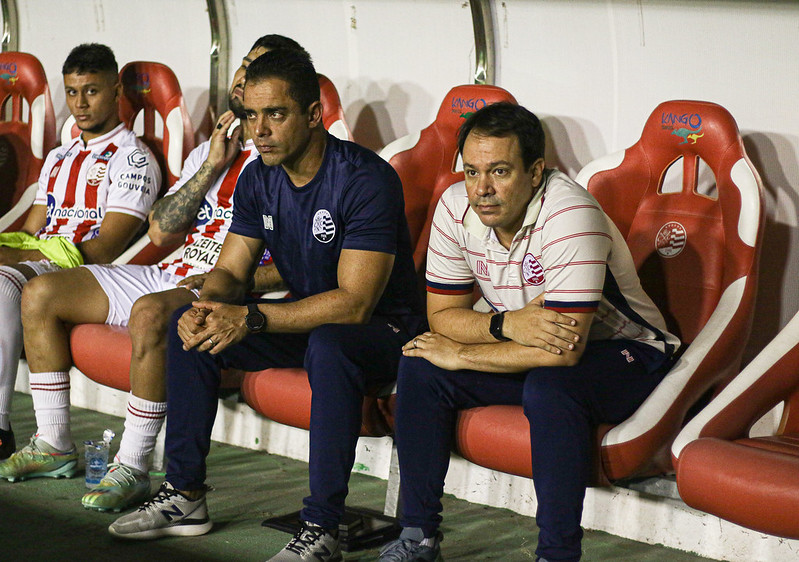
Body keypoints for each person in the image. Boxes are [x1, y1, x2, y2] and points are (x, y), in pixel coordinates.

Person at [107, 48, 422, 561]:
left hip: (386, 335)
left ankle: (320, 528)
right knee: (191, 330)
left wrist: (250, 316)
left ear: (314, 115)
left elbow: (356, 304)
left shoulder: (364, 178)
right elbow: (231, 272)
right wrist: (205, 308)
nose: (259, 130)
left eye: (275, 114)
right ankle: (184, 496)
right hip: (310, 321)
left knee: (330, 345)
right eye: (251, 115)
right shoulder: (259, 176)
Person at [1, 36, 305, 512]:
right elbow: (161, 231)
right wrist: (210, 167)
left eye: (258, 72)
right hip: (168, 271)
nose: (243, 80)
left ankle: (134, 465)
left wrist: (231, 280)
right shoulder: (212, 148)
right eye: (242, 68)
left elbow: (298, 261)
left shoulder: (289, 159)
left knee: (148, 315)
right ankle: (54, 443)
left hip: (228, 287)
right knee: (40, 294)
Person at [378, 103, 680, 562]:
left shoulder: (570, 213)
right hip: (526, 343)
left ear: (535, 171)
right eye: (472, 171)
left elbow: (562, 353)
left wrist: (463, 354)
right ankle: (417, 537)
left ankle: (556, 555)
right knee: (420, 363)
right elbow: (441, 314)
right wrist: (503, 325)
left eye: (499, 171)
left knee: (551, 386)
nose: (482, 189)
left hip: (628, 352)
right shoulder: (455, 205)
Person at [0, 43, 160, 461]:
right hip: (40, 258)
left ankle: (0, 425)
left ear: (116, 89)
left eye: (91, 90)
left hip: (80, 268)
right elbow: (32, 228)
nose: (80, 103)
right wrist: (11, 249)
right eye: (72, 92)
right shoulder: (59, 155)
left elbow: (107, 247)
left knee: (2, 285)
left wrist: (16, 259)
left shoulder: (134, 159)